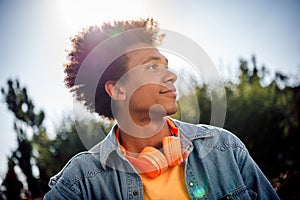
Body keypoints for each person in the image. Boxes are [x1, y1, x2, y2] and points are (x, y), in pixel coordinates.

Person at [44, 18, 280, 199]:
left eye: (166, 66)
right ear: (117, 90)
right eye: (152, 67)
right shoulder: (79, 183)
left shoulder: (225, 148)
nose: (172, 75)